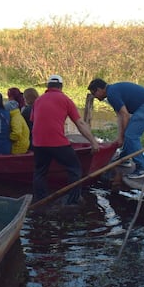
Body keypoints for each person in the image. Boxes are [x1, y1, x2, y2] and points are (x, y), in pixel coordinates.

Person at [31, 75, 99, 206]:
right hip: (57, 143)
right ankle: (73, 201)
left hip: (38, 143)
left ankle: (41, 200)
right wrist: (93, 141)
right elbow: (79, 123)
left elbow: (35, 121)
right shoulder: (65, 99)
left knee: (40, 172)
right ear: (61, 87)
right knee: (75, 169)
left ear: (47, 86)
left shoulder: (38, 100)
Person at [87, 78, 144, 179]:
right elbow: (120, 116)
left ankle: (142, 168)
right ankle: (125, 158)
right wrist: (120, 137)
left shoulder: (112, 93)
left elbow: (125, 115)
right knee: (128, 134)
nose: (95, 97)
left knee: (131, 135)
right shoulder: (112, 92)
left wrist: (123, 136)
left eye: (94, 93)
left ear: (100, 90)